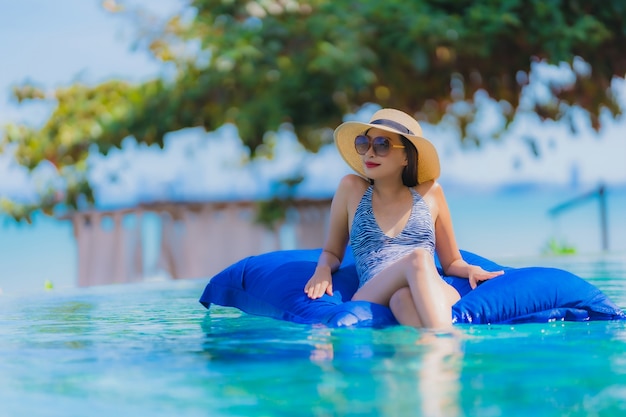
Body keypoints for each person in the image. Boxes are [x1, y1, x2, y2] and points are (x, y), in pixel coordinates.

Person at [304, 108, 504, 329]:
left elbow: (451, 263)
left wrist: (471, 270)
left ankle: (429, 360)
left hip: (431, 287)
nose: (369, 153)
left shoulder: (431, 193)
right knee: (418, 258)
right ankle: (449, 346)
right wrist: (322, 269)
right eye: (364, 143)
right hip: (374, 288)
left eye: (381, 145)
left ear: (407, 156)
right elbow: (332, 252)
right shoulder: (351, 189)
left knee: (402, 300)